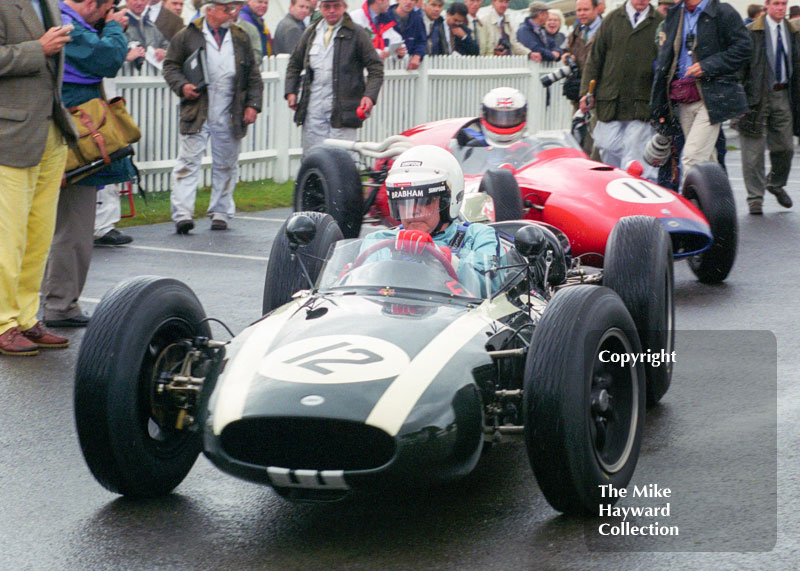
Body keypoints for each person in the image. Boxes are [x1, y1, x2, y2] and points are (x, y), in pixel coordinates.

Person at [40, 0, 133, 330]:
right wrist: (112, 26)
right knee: (74, 226)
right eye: (106, 8)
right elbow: (107, 59)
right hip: (71, 135)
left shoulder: (51, 17)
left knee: (44, 226)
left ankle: (37, 304)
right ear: (94, 3)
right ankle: (60, 304)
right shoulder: (68, 25)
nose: (106, 16)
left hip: (46, 132)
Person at [0, 0, 78, 355]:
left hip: (50, 130)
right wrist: (38, 48)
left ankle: (27, 319)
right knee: (9, 237)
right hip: (10, 134)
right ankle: (3, 322)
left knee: (38, 235)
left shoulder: (49, 3)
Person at [163, 0, 264, 233]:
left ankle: (221, 211)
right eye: (226, 8)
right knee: (188, 161)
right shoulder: (187, 35)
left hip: (230, 108)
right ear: (210, 10)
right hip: (198, 107)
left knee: (227, 162)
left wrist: (253, 105)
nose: (232, 12)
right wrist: (182, 86)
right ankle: (182, 215)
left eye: (233, 8)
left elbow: (253, 75)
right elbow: (170, 65)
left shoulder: (240, 36)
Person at [362, 145, 501, 295]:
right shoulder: (378, 241)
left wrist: (444, 260)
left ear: (446, 201)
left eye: (424, 201)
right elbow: (361, 294)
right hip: (391, 316)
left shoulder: (478, 236)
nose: (413, 211)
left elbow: (490, 288)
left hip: (456, 315)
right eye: (403, 201)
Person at [650, 0, 751, 185]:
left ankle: (693, 208)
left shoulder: (723, 12)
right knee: (707, 160)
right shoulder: (674, 14)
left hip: (712, 97)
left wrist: (708, 66)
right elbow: (665, 61)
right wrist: (657, 105)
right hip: (683, 96)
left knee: (692, 158)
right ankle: (715, 209)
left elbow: (744, 49)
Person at [285, 0, 384, 156]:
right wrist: (291, 91)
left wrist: (369, 96)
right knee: (313, 157)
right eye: (327, 6)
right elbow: (294, 64)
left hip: (344, 110)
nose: (331, 10)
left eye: (336, 6)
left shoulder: (357, 33)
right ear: (320, 8)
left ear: (344, 7)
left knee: (342, 158)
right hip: (314, 108)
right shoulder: (311, 33)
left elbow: (376, 68)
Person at [580, 0, 663, 181]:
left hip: (642, 101)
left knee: (635, 152)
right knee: (607, 145)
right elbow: (595, 59)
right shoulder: (612, 19)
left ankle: (641, 192)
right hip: (611, 99)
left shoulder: (659, 21)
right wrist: (587, 91)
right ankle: (616, 185)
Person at [737, 0, 799, 214]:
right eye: (776, 4)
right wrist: (739, 100)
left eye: (783, 4)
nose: (780, 8)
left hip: (782, 94)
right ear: (767, 6)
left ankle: (775, 183)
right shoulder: (751, 32)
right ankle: (755, 198)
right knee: (753, 153)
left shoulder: (792, 32)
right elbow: (740, 68)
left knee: (785, 147)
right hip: (755, 96)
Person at [126, 0, 169, 70]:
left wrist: (164, 52)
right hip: (124, 77)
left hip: (152, 78)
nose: (139, 3)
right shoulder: (119, 24)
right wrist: (126, 56)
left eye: (142, 0)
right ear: (126, 1)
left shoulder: (151, 26)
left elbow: (168, 47)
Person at [388, 0, 427, 69]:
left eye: (413, 0)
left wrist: (417, 55)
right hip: (386, 65)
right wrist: (392, 50)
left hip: (408, 69)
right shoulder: (385, 16)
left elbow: (422, 41)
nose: (409, 2)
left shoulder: (417, 19)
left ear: (416, 2)